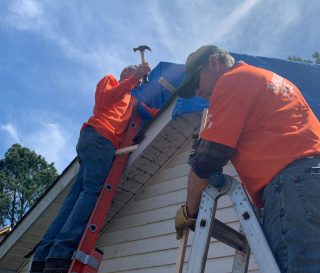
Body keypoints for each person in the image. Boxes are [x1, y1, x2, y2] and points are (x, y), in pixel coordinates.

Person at [174, 45, 320, 273]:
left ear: (214, 63)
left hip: (292, 189)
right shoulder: (269, 79)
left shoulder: (231, 81)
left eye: (196, 82)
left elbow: (207, 159)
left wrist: (189, 211)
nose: (196, 92)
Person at [30, 63, 151, 273]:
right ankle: (61, 252)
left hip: (95, 142)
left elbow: (150, 111)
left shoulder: (132, 99)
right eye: (133, 74)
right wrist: (134, 78)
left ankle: (44, 256)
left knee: (76, 196)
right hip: (100, 138)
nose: (137, 80)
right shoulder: (111, 80)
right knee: (92, 192)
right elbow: (105, 98)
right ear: (126, 73)